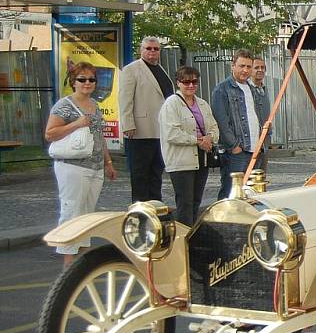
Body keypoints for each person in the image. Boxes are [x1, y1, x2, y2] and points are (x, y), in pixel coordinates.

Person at [45, 62, 117, 267]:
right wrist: (76, 123)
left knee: (87, 214)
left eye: (91, 79)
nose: (87, 83)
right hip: (72, 166)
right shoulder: (64, 105)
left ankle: (82, 264)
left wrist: (108, 162)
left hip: (94, 167)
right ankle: (68, 266)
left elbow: (99, 136)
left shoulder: (95, 105)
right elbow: (50, 134)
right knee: (72, 212)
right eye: (82, 79)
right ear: (73, 82)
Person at [159, 66, 220, 226]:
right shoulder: (171, 104)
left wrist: (209, 138)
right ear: (178, 83)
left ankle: (191, 237)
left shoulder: (202, 103)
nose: (191, 85)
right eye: (186, 82)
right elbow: (172, 133)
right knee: (184, 204)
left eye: (194, 82)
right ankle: (182, 238)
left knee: (195, 202)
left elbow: (214, 128)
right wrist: (198, 140)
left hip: (201, 160)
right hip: (181, 162)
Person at [119, 36, 173, 202]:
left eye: (155, 49)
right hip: (140, 131)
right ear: (141, 50)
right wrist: (128, 124)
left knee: (156, 172)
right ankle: (140, 208)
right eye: (148, 48)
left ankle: (155, 206)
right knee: (140, 173)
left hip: (160, 132)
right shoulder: (131, 69)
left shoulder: (161, 70)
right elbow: (125, 99)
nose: (152, 52)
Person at [211, 49, 270, 200]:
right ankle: (225, 222)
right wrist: (234, 146)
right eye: (241, 66)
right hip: (237, 151)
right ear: (233, 66)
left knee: (252, 192)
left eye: (249, 67)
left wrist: (264, 142)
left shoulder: (252, 89)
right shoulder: (222, 89)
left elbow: (259, 116)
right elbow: (221, 121)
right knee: (231, 192)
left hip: (255, 149)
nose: (245, 70)